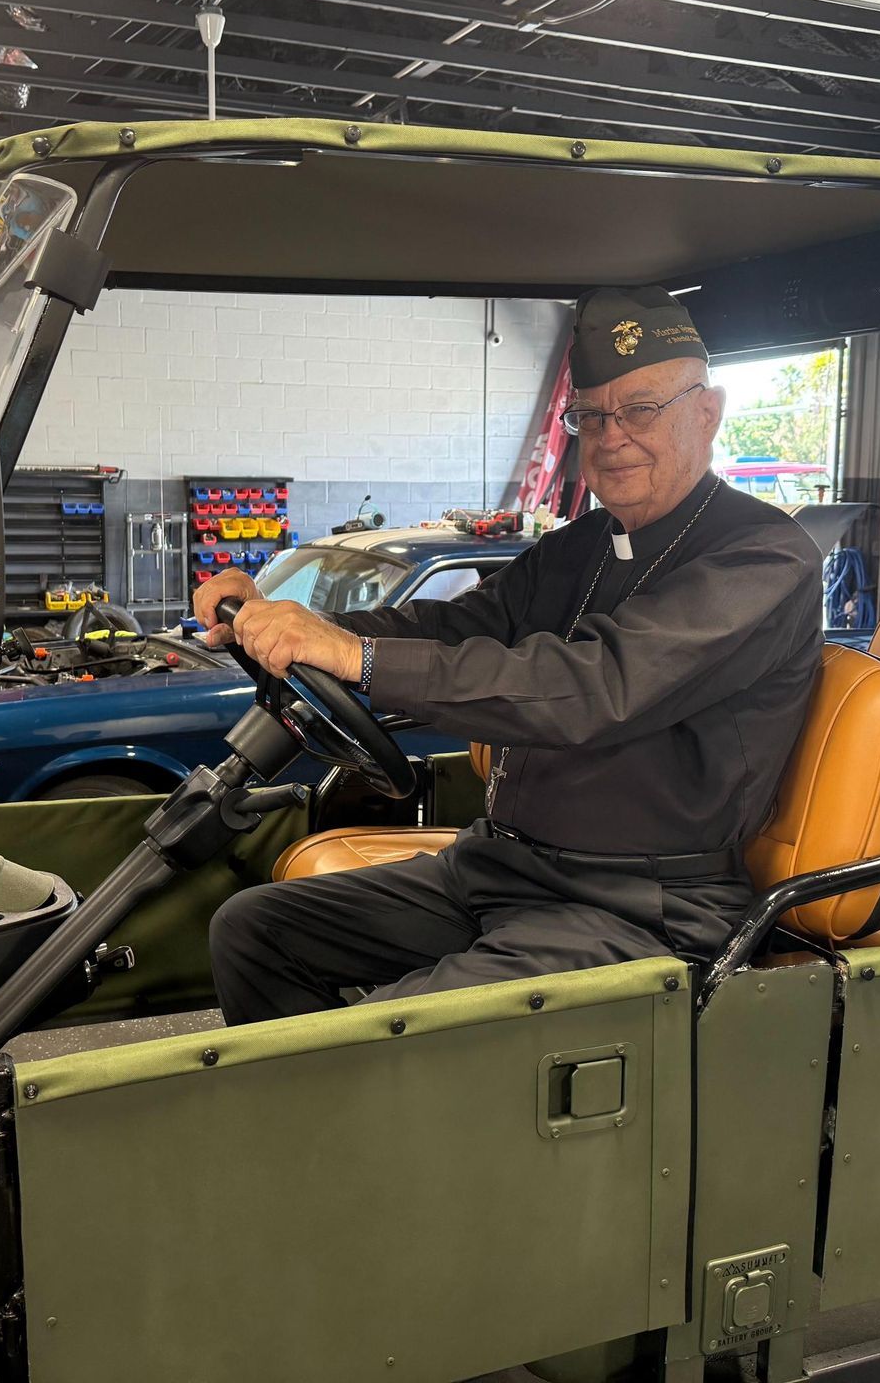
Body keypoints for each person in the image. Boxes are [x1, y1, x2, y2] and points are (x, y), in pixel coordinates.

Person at [193, 286, 823, 1025]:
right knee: (255, 931)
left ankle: (357, 1120)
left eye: (641, 409)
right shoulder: (582, 547)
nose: (612, 435)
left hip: (641, 907)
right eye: (591, 416)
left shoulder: (762, 558)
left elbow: (593, 686)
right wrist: (291, 622)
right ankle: (311, 1130)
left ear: (707, 413)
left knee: (365, 1039)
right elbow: (455, 626)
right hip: (501, 866)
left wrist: (354, 656)